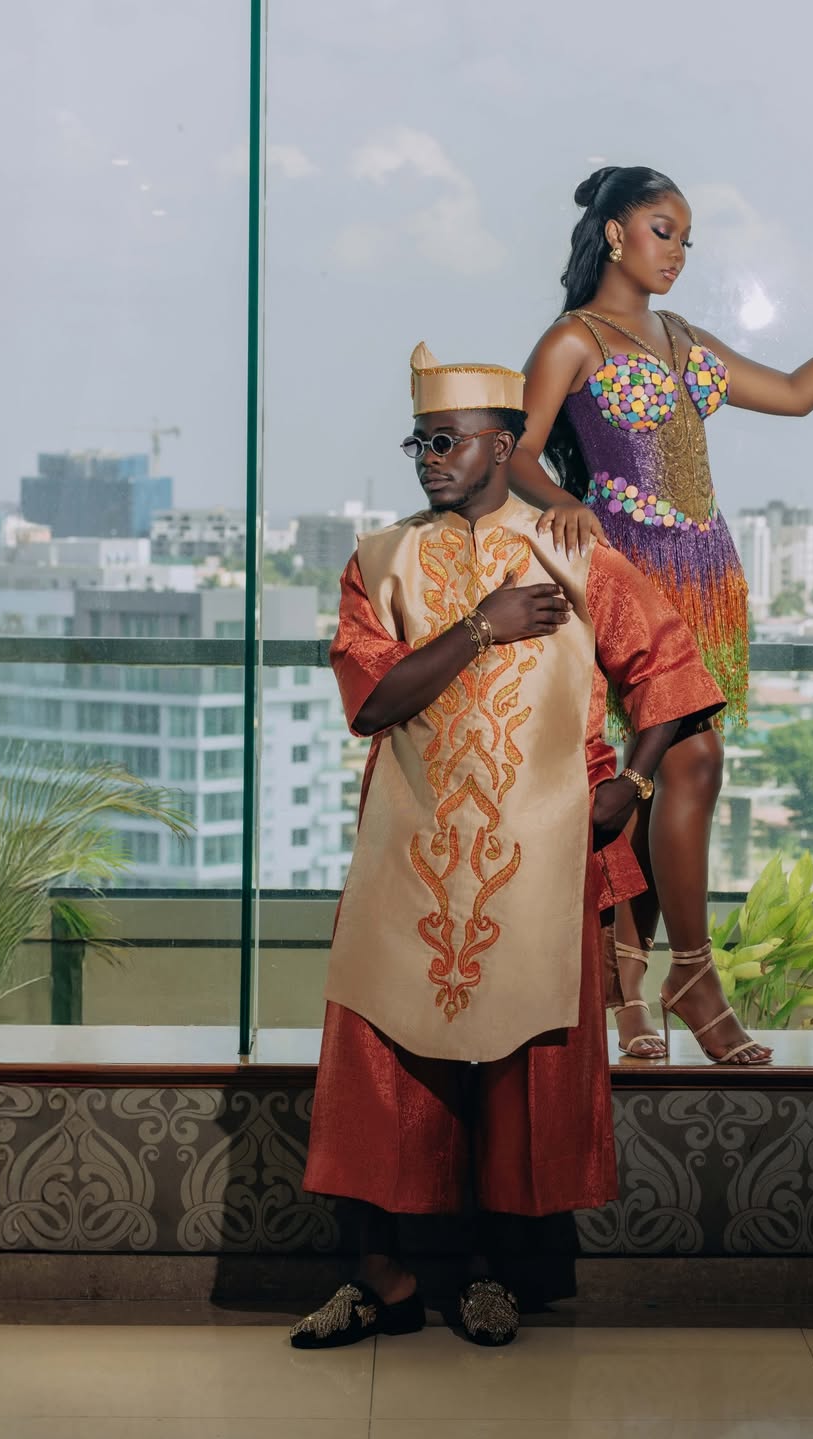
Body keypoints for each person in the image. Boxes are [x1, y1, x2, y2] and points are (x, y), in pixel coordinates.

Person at [292, 341, 724, 1350]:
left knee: (512, 1068)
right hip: (407, 850)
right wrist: (482, 627)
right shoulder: (379, 561)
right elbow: (374, 699)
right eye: (419, 442)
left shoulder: (573, 551)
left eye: (447, 441)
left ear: (501, 446)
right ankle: (381, 1278)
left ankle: (493, 1274)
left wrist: (635, 781)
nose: (429, 459)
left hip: (537, 855)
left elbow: (667, 664)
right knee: (377, 1065)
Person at [509, 164, 813, 1061]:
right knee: (693, 758)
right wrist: (562, 503)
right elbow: (519, 455)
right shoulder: (573, 339)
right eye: (664, 231)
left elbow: (799, 394)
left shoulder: (686, 338)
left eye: (687, 239)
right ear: (614, 233)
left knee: (659, 777)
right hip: (626, 573)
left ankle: (628, 984)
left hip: (706, 576)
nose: (679, 253)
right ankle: (691, 974)